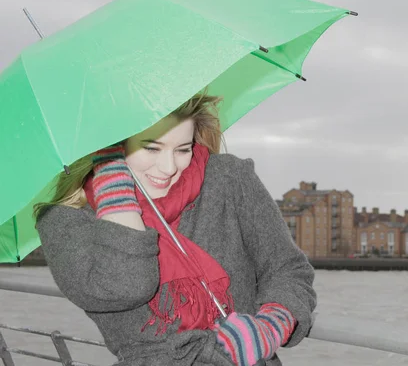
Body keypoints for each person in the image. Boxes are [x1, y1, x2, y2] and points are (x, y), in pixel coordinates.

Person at [35, 90, 317, 366]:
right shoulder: (65, 222)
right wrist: (114, 188)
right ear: (111, 146)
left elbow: (288, 268)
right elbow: (127, 286)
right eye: (151, 148)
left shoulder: (228, 179)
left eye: (183, 149)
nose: (169, 167)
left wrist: (272, 323)